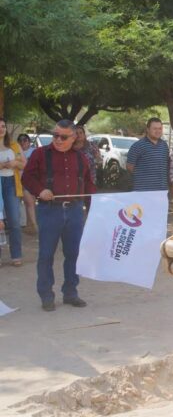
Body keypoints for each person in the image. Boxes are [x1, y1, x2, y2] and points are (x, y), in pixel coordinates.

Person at [22, 120, 96, 311]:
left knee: (74, 254)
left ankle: (71, 293)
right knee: (46, 255)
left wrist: (95, 207)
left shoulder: (81, 157)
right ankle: (46, 296)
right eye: (55, 135)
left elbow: (88, 183)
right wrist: (40, 190)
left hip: (75, 210)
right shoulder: (40, 154)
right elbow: (27, 177)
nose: (58, 140)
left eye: (63, 137)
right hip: (49, 210)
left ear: (74, 137)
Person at [0, 118, 25, 266]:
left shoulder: (14, 145)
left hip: (11, 183)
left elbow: (24, 165)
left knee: (14, 221)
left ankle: (16, 255)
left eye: (3, 126)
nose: (1, 129)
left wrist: (15, 163)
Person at [126, 117, 170, 192]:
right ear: (148, 129)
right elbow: (129, 167)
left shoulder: (164, 145)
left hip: (161, 190)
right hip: (143, 190)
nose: (158, 131)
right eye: (155, 128)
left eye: (160, 128)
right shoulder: (137, 146)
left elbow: (165, 166)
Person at [17, 134, 37, 234]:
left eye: (25, 140)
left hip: (28, 181)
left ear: (29, 141)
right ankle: (26, 225)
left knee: (29, 203)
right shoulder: (15, 151)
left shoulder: (34, 151)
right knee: (19, 204)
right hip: (16, 180)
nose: (22, 142)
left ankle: (33, 225)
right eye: (20, 140)